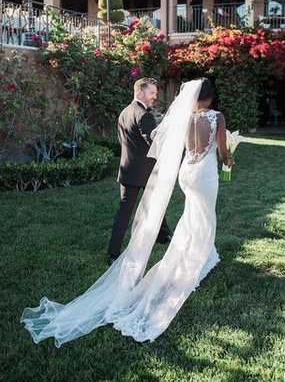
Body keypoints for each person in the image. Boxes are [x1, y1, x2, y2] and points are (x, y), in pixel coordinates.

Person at [21, 78, 234, 346]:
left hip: (181, 173)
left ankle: (184, 248)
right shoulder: (214, 117)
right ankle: (201, 254)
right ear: (211, 98)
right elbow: (218, 148)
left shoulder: (178, 117)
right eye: (152, 92)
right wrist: (229, 160)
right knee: (203, 215)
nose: (155, 96)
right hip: (200, 173)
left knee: (183, 214)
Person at [108, 77, 172, 265]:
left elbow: (125, 142)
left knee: (126, 211)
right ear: (139, 92)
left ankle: (162, 235)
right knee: (150, 204)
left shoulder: (125, 112)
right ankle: (114, 254)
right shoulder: (144, 115)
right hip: (145, 171)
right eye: (151, 92)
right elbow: (154, 143)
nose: (154, 96)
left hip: (127, 170)